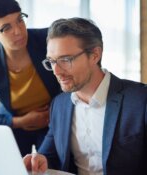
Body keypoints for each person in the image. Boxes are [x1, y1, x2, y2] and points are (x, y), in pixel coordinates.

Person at [23, 17, 147, 175]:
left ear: (95, 55)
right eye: (52, 61)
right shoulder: (59, 105)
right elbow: (50, 155)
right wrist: (39, 159)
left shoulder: (141, 101)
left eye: (65, 60)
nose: (56, 71)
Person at [0, 0, 60, 156]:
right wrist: (24, 121)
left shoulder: (47, 39)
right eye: (6, 28)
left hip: (52, 119)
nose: (18, 31)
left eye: (20, 20)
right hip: (15, 125)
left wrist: (55, 113)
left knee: (54, 163)